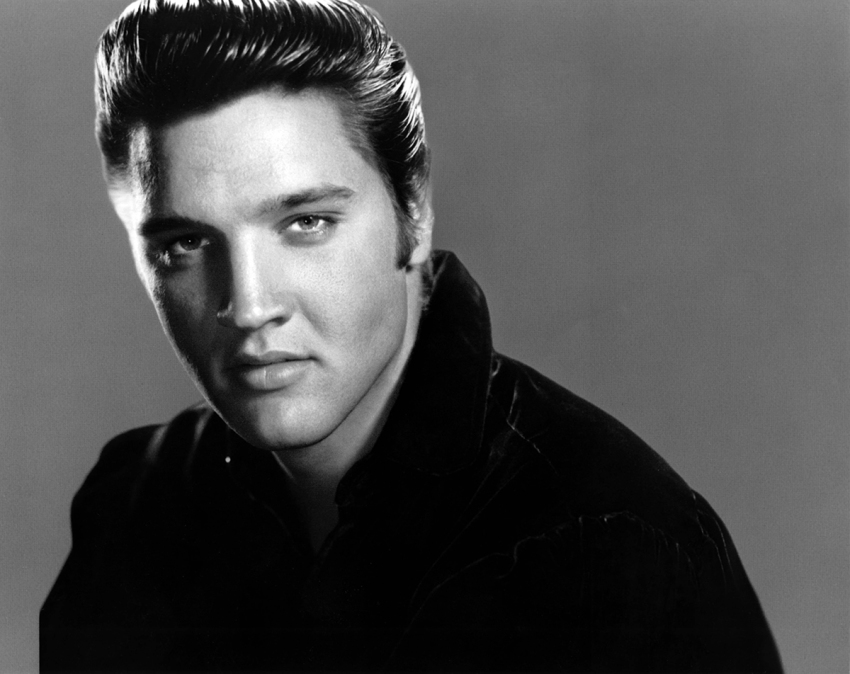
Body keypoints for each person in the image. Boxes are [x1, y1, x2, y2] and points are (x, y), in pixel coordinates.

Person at [40, 0, 782, 671]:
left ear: (414, 211)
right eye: (185, 244)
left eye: (306, 222)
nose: (250, 305)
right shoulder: (132, 507)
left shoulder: (615, 546)